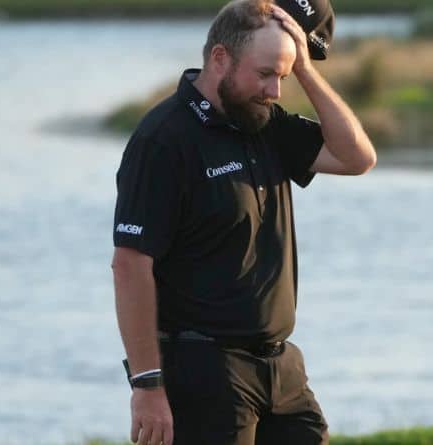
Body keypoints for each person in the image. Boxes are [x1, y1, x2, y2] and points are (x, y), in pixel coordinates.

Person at [111, 0, 376, 444]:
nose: (274, 90)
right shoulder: (164, 140)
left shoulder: (263, 123)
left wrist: (306, 71)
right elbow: (130, 265)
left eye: (283, 77)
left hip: (282, 369)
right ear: (220, 58)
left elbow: (357, 158)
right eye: (265, 73)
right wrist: (147, 386)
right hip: (204, 372)